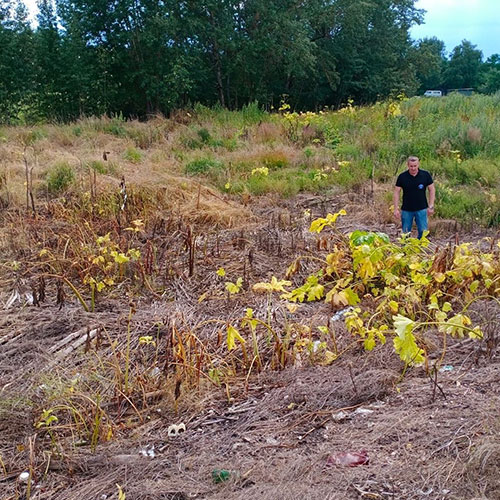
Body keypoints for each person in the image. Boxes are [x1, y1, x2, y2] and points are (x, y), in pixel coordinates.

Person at [393, 156, 435, 239]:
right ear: (408, 165)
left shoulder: (425, 175)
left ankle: (421, 248)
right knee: (405, 232)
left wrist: (431, 206)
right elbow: (396, 192)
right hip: (406, 209)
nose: (413, 168)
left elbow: (432, 190)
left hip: (422, 208)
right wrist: (395, 208)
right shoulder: (402, 177)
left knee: (423, 232)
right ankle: (406, 249)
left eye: (415, 166)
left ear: (418, 164)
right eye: (411, 166)